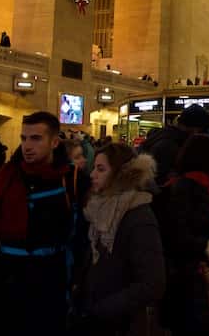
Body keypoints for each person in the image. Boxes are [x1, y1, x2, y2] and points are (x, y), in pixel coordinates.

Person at [0, 111, 83, 336]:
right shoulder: (3, 177)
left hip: (50, 281)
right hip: (6, 279)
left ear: (54, 142)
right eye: (23, 138)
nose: (27, 145)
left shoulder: (71, 179)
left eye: (36, 138)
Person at [71, 144, 165, 336]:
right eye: (94, 167)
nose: (92, 175)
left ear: (120, 174)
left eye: (101, 169)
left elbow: (152, 283)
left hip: (121, 323)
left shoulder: (138, 216)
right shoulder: (98, 209)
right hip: (95, 317)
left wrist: (103, 309)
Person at [159, 134, 209, 335]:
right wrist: (208, 247)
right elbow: (178, 235)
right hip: (188, 281)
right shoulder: (189, 189)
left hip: (190, 279)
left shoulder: (194, 186)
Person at [142, 104, 209, 185]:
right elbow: (159, 182)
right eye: (202, 131)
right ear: (195, 129)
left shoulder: (167, 138)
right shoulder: (169, 145)